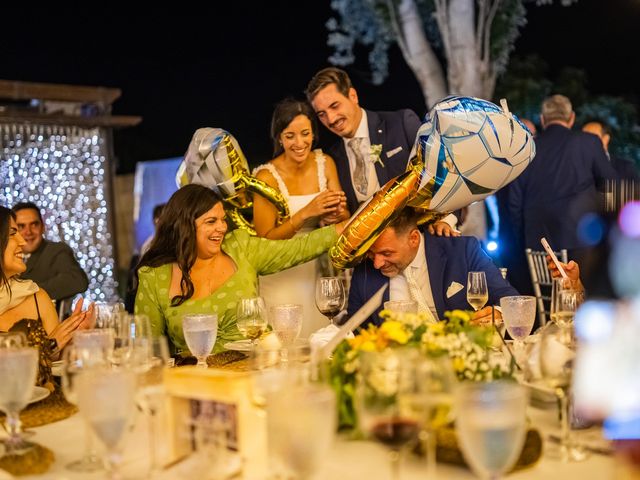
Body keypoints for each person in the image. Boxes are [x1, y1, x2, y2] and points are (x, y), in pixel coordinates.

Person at [134, 184, 344, 355]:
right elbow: (148, 351)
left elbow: (299, 248)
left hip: (261, 368)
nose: (222, 228)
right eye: (211, 221)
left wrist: (349, 227)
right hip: (199, 384)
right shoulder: (154, 277)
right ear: (184, 226)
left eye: (223, 220)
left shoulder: (240, 247)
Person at [305, 67, 458, 236]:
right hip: (370, 256)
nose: (331, 119)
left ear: (353, 96)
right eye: (322, 114)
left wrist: (445, 220)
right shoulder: (333, 157)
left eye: (335, 106)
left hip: (422, 238)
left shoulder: (400, 123)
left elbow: (443, 170)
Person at [252, 98, 349, 337]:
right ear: (279, 138)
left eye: (305, 134)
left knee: (319, 340)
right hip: (282, 274)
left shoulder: (325, 163)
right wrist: (307, 212)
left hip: (316, 270)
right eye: (290, 136)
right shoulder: (266, 177)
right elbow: (264, 240)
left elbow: (343, 218)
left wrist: (337, 212)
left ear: (313, 134)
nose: (299, 142)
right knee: (286, 341)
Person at [347, 207, 518, 329]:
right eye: (371, 254)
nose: (377, 263)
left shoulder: (461, 251)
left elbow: (511, 300)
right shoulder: (365, 271)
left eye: (387, 253)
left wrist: (498, 313)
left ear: (413, 239)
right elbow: (353, 331)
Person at [507, 95, 619, 268]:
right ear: (572, 118)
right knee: (581, 290)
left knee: (544, 293)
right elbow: (612, 184)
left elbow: (514, 203)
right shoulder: (588, 142)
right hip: (582, 243)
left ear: (543, 119)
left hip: (539, 250)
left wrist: (522, 241)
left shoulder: (527, 149)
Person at [0, 206, 93, 390]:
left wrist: (77, 338)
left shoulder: (36, 296)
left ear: (43, 226)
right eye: (13, 233)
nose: (22, 239)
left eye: (33, 225)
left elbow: (57, 358)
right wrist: (49, 345)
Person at [12, 202, 89, 302]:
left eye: (34, 225)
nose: (28, 232)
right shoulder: (5, 255)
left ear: (43, 227)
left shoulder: (56, 251)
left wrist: (23, 293)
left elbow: (77, 281)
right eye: (21, 226)